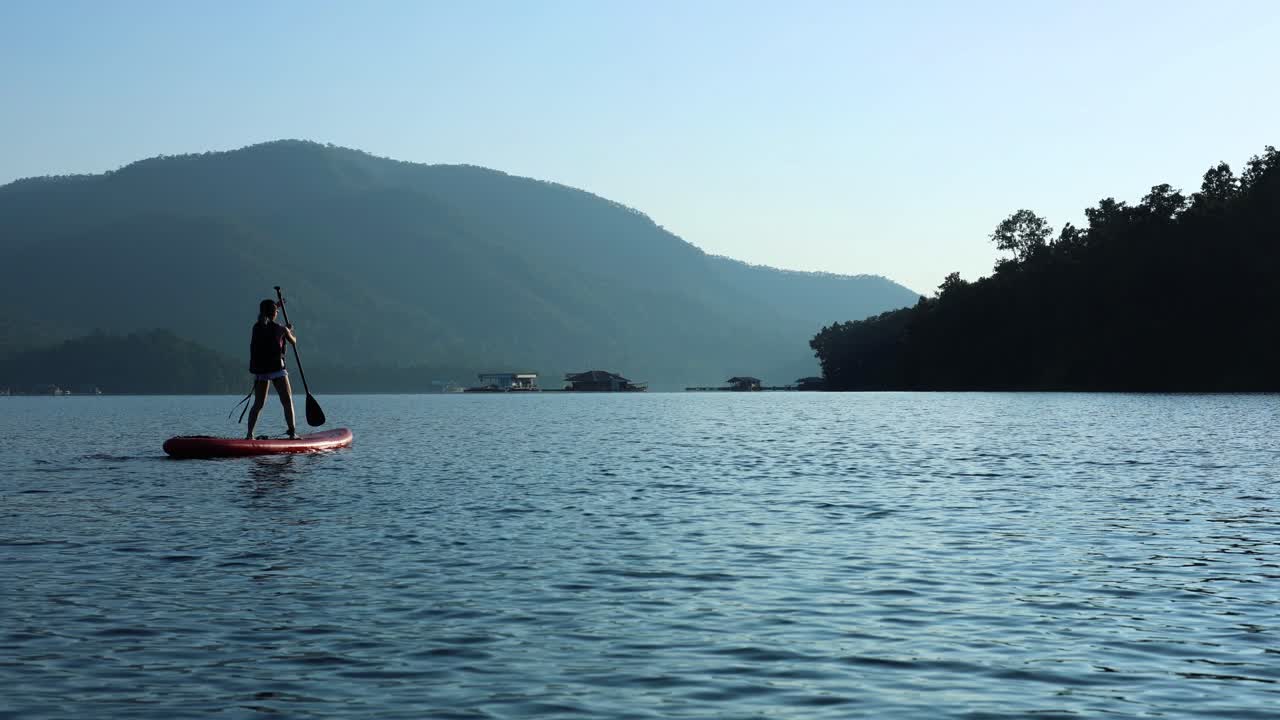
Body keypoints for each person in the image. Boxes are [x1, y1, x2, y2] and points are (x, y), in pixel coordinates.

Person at [246, 298, 298, 439]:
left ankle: (249, 434)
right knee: (287, 401)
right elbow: (293, 342)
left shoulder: (256, 327)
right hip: (277, 369)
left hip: (261, 371)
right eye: (277, 311)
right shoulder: (281, 328)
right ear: (273, 313)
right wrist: (289, 330)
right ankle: (292, 433)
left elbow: (266, 314)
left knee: (258, 404)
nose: (278, 312)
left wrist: (277, 304)